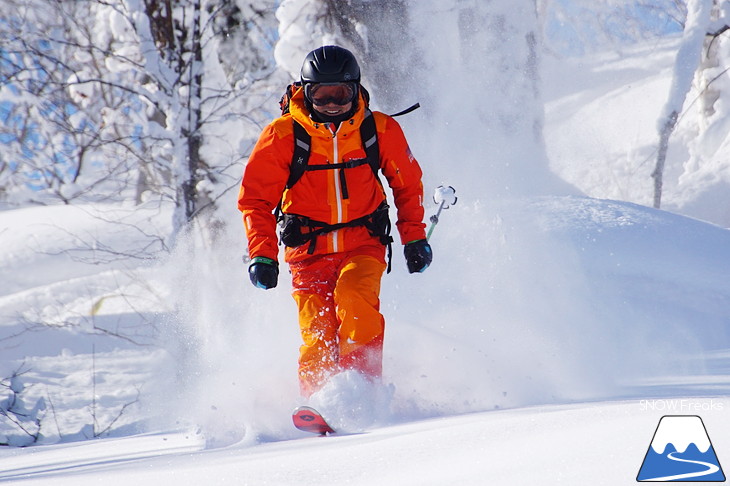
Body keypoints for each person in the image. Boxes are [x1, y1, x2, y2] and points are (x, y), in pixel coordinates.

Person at [237, 45, 432, 398]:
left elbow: (407, 184)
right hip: (307, 252)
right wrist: (262, 255)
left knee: (356, 303)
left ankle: (362, 391)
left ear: (355, 90)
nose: (331, 106)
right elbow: (256, 200)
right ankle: (320, 400)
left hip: (363, 242)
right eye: (321, 96)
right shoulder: (282, 136)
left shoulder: (379, 129)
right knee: (318, 330)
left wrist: (414, 238)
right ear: (305, 92)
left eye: (340, 95)